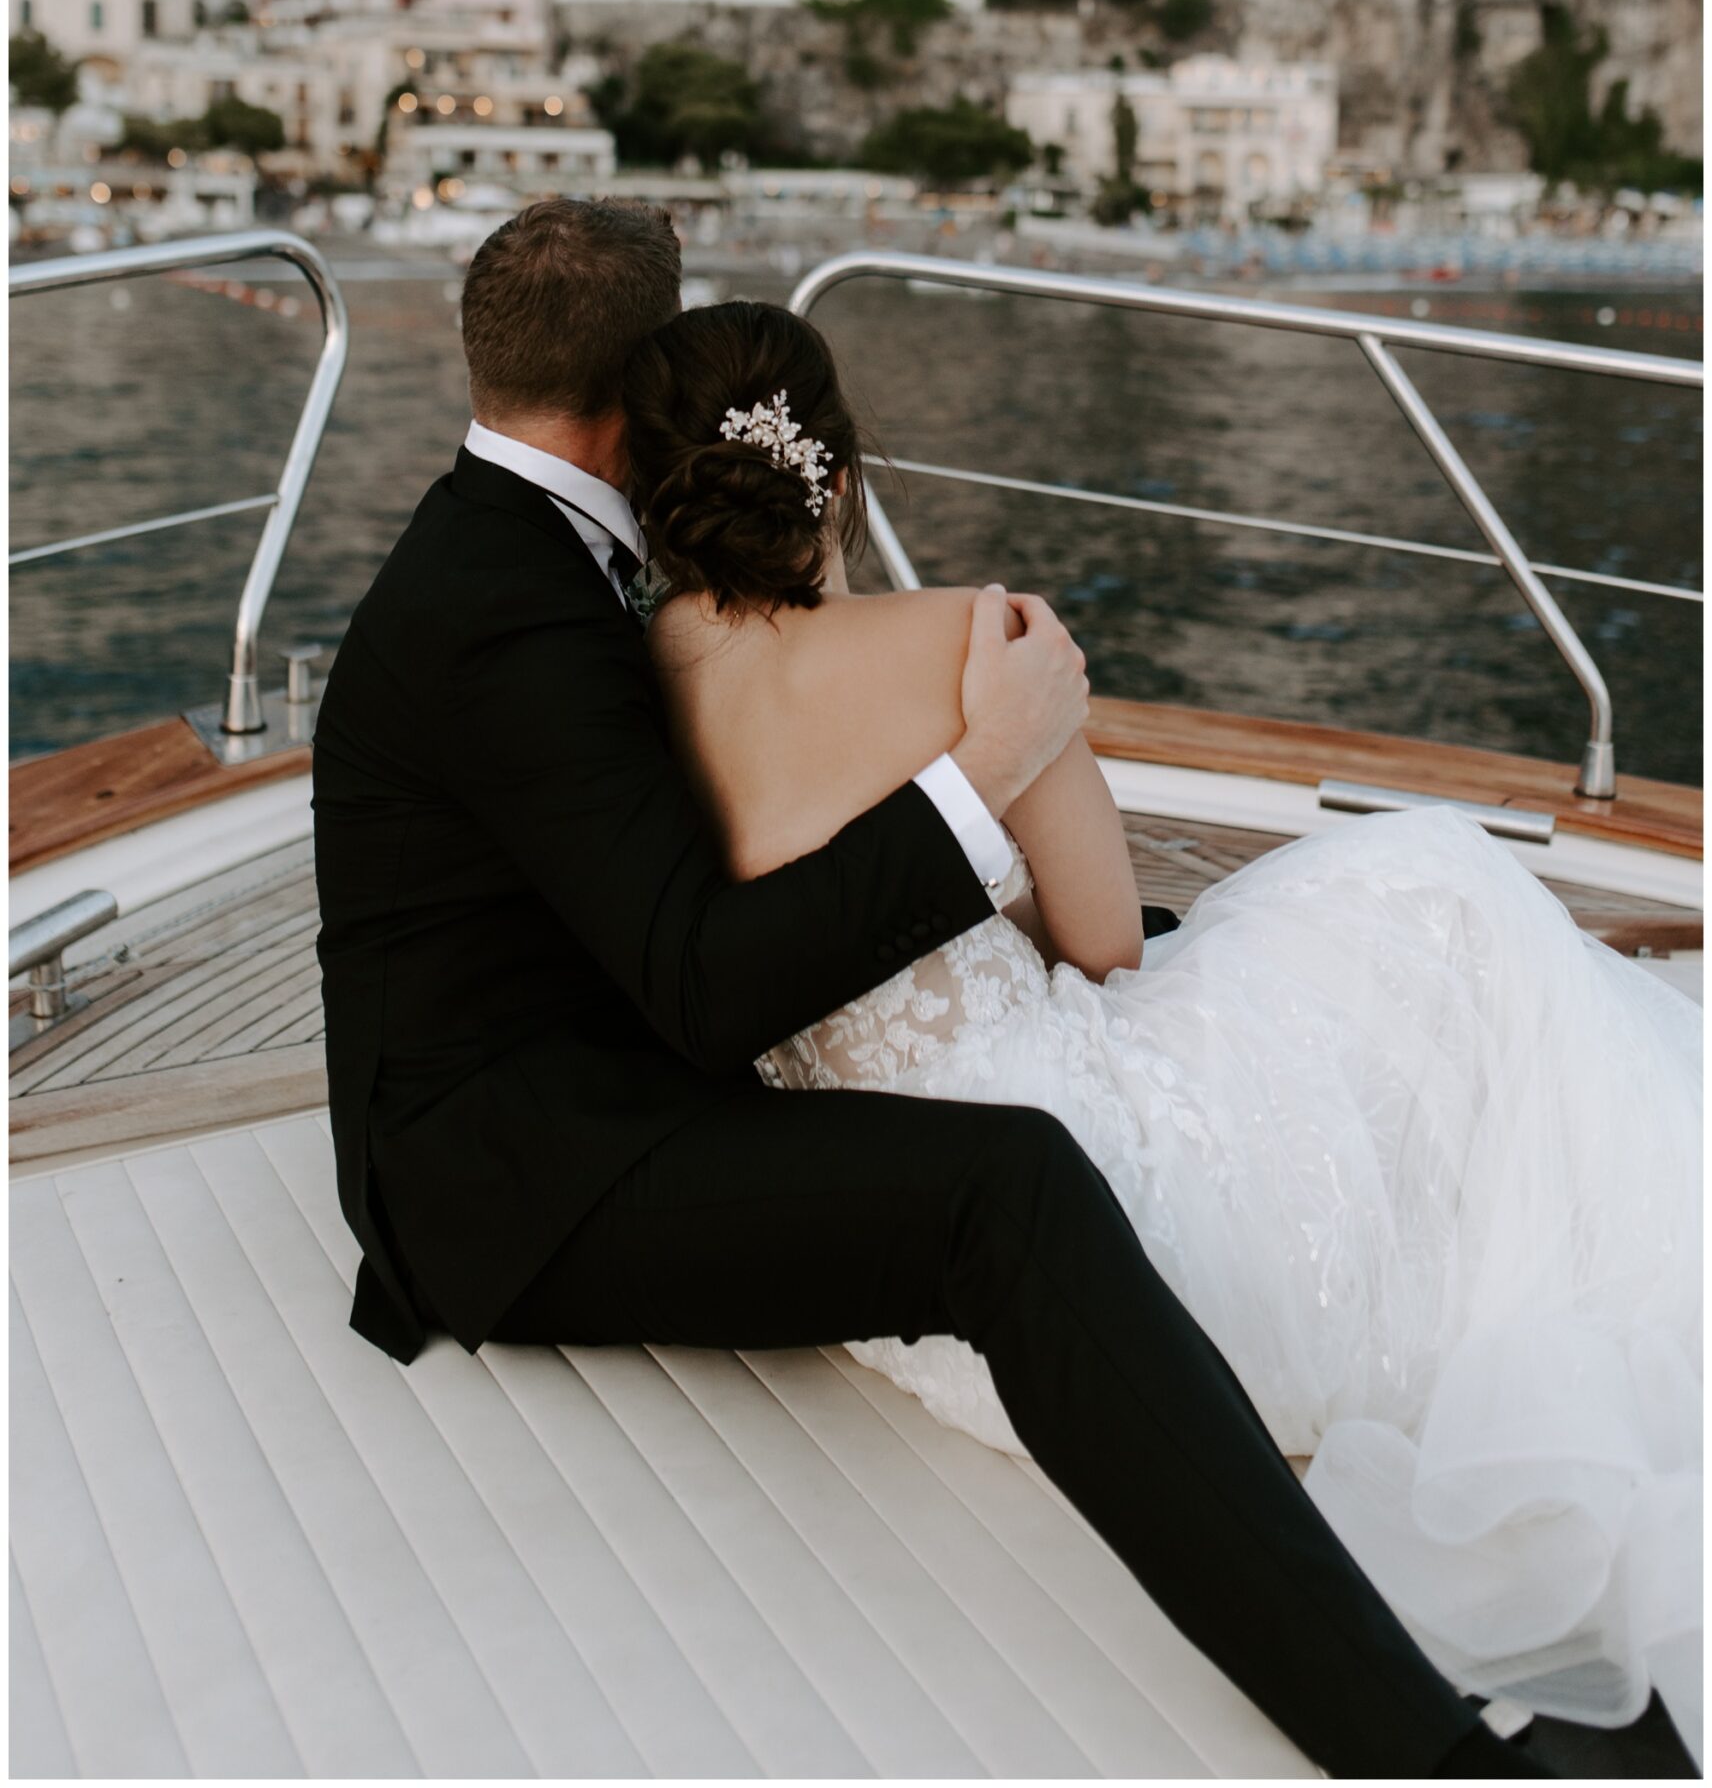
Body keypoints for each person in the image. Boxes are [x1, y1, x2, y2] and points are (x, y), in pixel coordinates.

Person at [312, 199, 1554, 1779]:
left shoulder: (539, 548)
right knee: (1007, 1196)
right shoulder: (503, 611)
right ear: (647, 394)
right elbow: (705, 990)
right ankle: (1419, 1751)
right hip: (517, 1167)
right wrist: (986, 775)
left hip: (596, 1048)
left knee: (1151, 973)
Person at [624, 290, 1702, 1774]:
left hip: (919, 1292)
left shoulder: (628, 707)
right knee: (1435, 884)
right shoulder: (965, 640)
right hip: (1113, 1217)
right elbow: (1108, 938)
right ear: (842, 480)